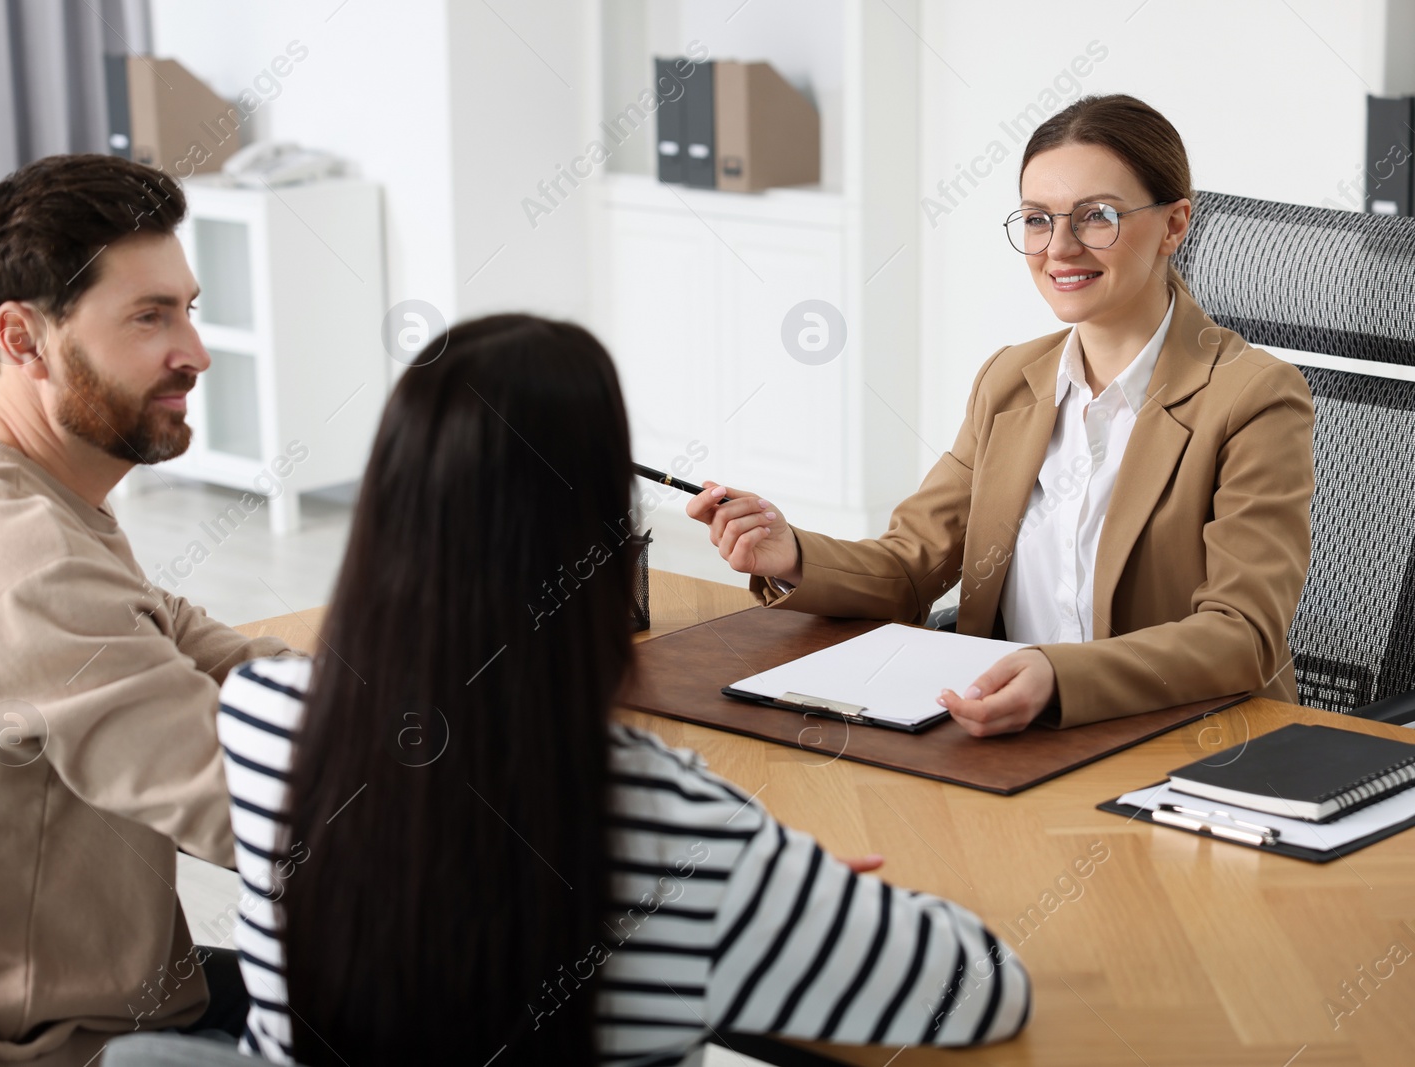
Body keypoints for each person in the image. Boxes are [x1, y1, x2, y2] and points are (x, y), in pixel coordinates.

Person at [214, 314, 1031, 1066]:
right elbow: (984, 986)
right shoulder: (684, 828)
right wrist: (798, 892)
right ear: (600, 548)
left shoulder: (259, 719)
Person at [0, 154, 300, 1065]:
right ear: (25, 339)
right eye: (150, 317)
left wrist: (368, 682)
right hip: (48, 1045)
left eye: (187, 308)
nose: (194, 351)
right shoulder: (21, 566)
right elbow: (267, 818)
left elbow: (166, 625)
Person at [688, 94, 1314, 737]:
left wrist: (1059, 676)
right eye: (1038, 220)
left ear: (1175, 225)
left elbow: (1244, 637)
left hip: (1182, 747)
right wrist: (789, 553)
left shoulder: (1254, 398)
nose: (1060, 248)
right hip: (1008, 737)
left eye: (1097, 216)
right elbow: (911, 566)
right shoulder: (1010, 381)